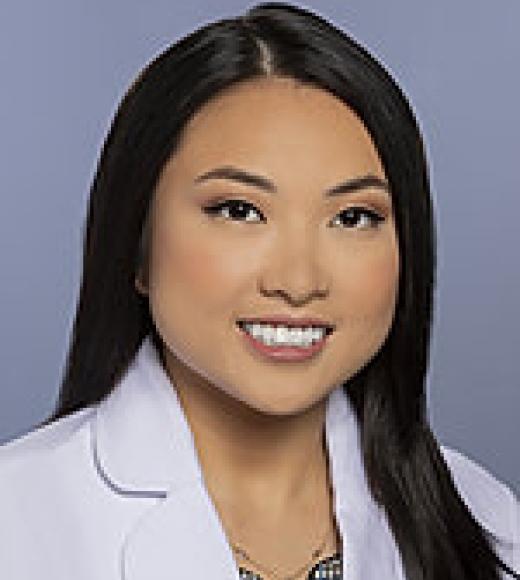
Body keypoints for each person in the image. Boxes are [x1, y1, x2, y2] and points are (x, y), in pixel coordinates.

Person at [0, 2, 518, 579]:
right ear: (136, 243)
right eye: (239, 210)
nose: (298, 282)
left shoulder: (490, 525)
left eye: (352, 217)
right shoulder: (16, 519)